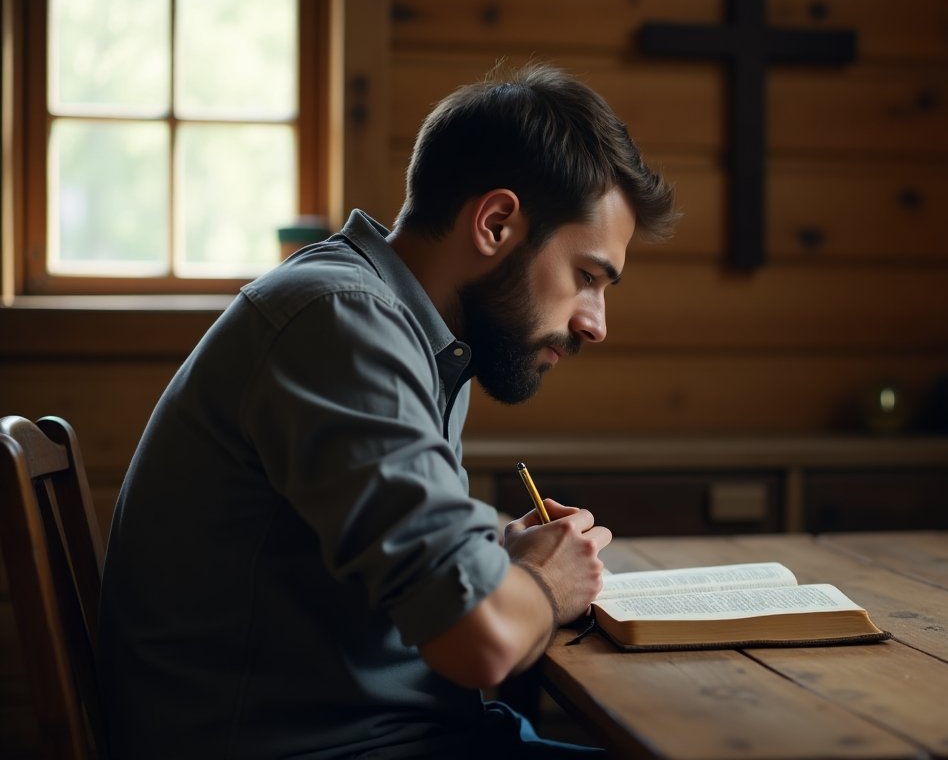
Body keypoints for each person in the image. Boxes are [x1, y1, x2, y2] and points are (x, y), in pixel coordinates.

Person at [96, 63, 678, 758]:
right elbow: (480, 640)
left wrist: (500, 554)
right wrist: (547, 583)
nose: (595, 324)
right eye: (587, 277)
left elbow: (402, 552)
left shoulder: (410, 327)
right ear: (496, 223)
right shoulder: (343, 322)